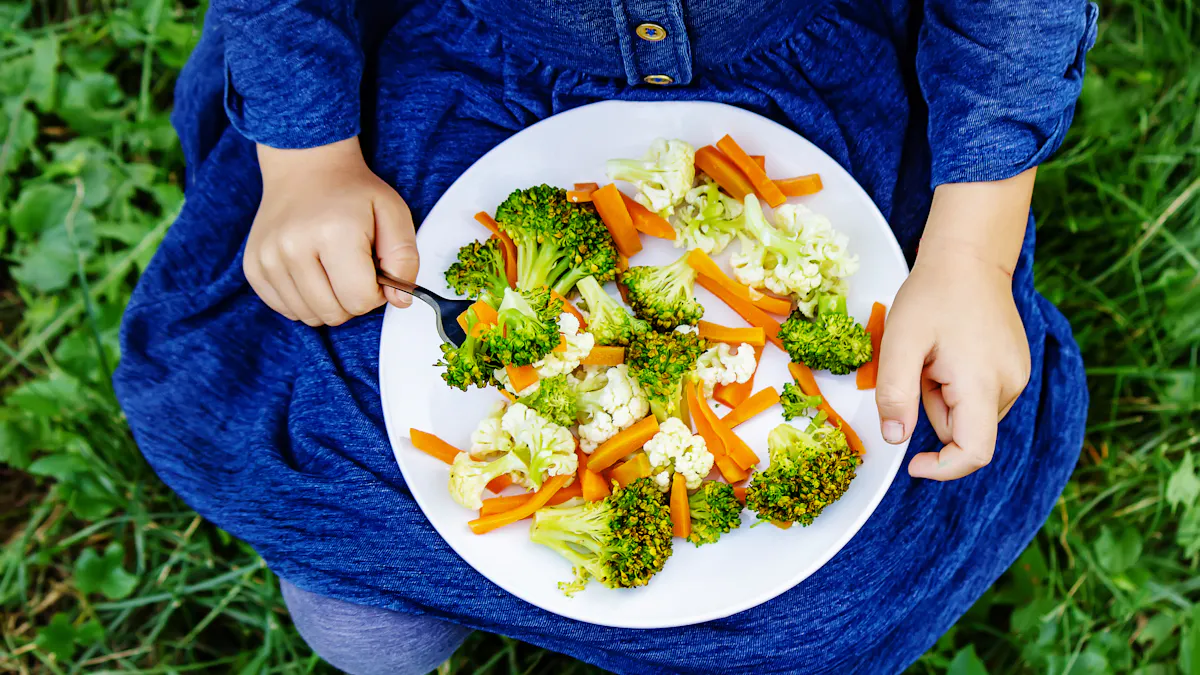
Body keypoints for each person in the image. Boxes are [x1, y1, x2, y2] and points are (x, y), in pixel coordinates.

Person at [113, 0, 1097, 673]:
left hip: (834, 84)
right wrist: (306, 160)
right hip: (457, 72)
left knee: (828, 605)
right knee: (363, 628)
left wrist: (972, 245)